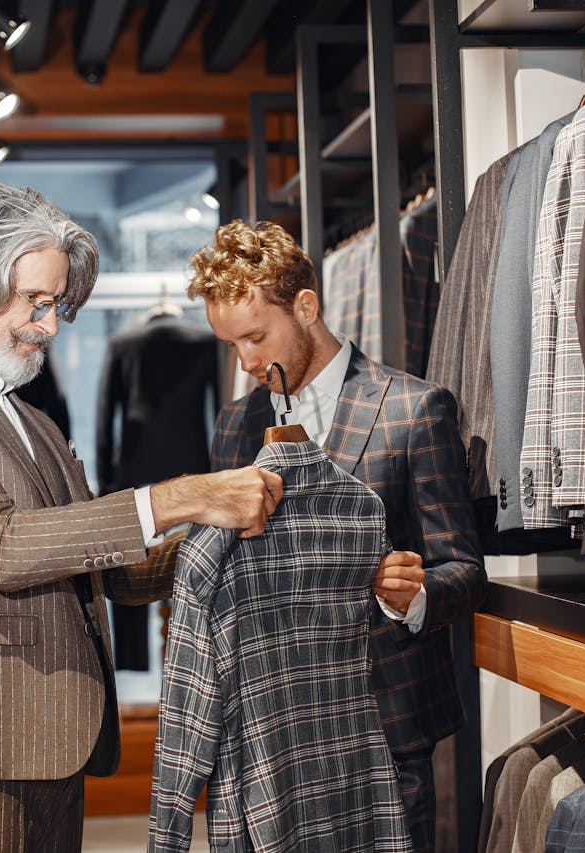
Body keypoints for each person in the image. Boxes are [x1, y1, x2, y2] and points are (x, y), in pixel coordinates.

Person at [0, 183, 282, 853]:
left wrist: (231, 534)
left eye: (56, 306)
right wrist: (185, 496)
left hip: (57, 734)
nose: (50, 327)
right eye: (37, 302)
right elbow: (0, 546)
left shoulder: (35, 424)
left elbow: (112, 572)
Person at [190, 219, 486, 853]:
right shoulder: (235, 425)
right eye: (231, 344)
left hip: (380, 728)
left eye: (255, 337)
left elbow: (464, 569)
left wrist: (413, 594)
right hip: (266, 734)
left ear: (306, 307)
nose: (245, 362)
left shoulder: (413, 410)